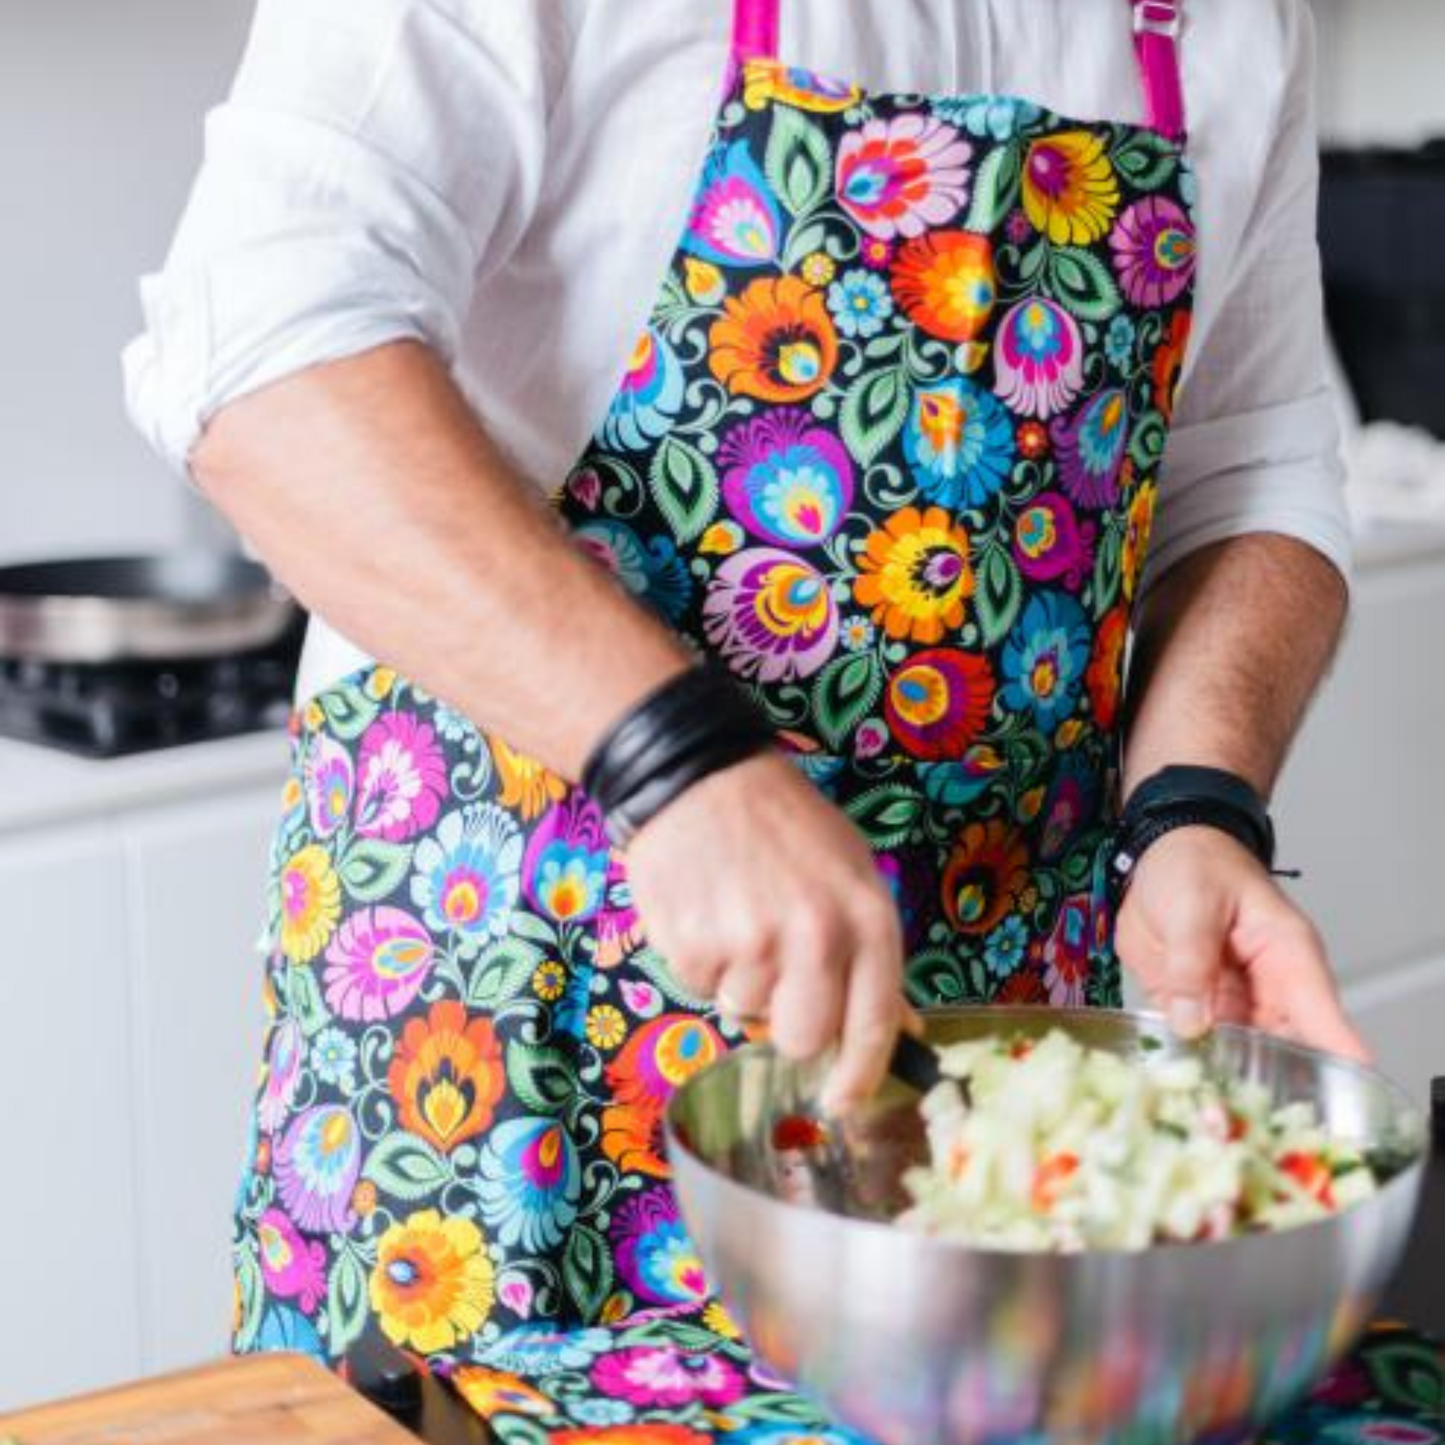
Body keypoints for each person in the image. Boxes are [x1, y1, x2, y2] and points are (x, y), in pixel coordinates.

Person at [125, 0, 1368, 1430]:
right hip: (508, 1035)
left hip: (980, 1077)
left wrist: (1195, 813)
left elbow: (1254, 461)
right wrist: (678, 757)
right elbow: (259, 348)